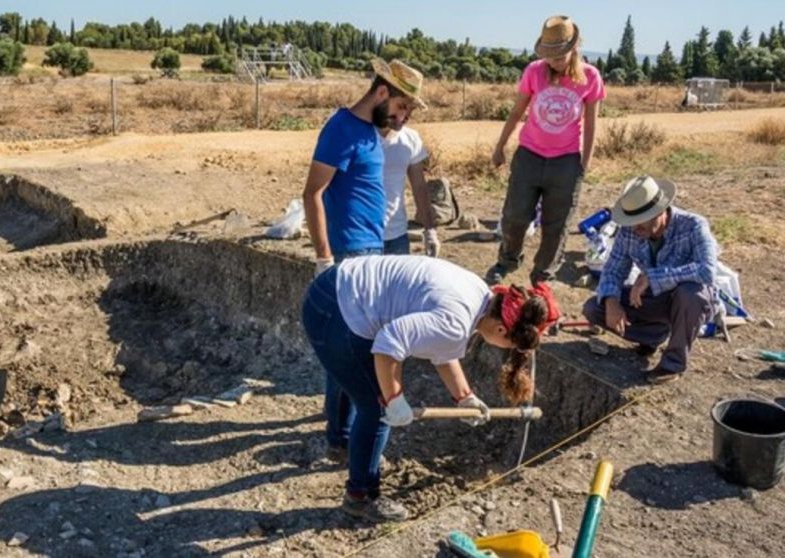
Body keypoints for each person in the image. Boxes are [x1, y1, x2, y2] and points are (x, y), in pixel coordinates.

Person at [302, 255, 559, 522]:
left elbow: (441, 348)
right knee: (376, 408)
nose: (508, 352)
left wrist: (465, 397)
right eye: (511, 346)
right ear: (500, 329)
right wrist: (393, 399)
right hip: (337, 312)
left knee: (352, 375)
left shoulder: (479, 294)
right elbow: (389, 343)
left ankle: (342, 444)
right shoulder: (456, 322)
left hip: (333, 288)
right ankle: (361, 495)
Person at [486, 15, 605, 286]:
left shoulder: (591, 77)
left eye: (560, 55)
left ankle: (542, 274)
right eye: (550, 56)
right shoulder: (534, 71)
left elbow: (591, 125)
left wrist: (583, 164)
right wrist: (500, 147)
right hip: (529, 154)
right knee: (515, 216)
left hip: (566, 161)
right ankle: (507, 260)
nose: (555, 61)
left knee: (556, 224)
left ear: (574, 48)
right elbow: (517, 111)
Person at [582, 176, 718, 384]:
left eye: (641, 220)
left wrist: (655, 276)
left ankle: (673, 364)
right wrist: (612, 301)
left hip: (684, 303)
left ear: (661, 211)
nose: (635, 228)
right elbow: (613, 269)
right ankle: (652, 336)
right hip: (651, 300)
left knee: (692, 294)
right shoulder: (630, 231)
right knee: (594, 308)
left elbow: (707, 271)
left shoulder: (694, 226)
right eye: (631, 221)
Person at [302, 58, 427, 276]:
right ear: (381, 93)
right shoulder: (341, 128)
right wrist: (324, 259)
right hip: (350, 250)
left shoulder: (370, 131)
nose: (402, 117)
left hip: (372, 245)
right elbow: (312, 193)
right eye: (400, 106)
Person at [378, 102, 438, 257]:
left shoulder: (410, 139)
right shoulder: (359, 136)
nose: (407, 116)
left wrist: (430, 229)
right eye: (404, 108)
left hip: (398, 235)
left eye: (412, 110)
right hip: (362, 237)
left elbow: (419, 186)